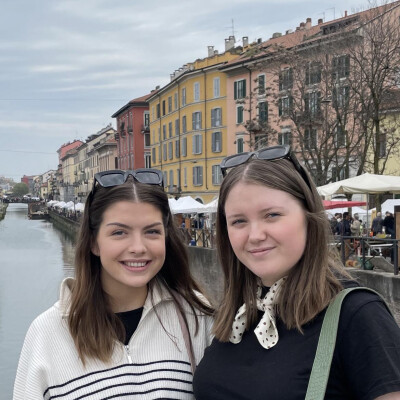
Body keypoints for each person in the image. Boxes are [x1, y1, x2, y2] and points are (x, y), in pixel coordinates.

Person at [192, 145, 400, 400]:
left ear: (308, 217)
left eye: (272, 215)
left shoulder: (357, 315)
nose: (255, 235)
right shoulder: (237, 313)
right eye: (238, 221)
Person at [14, 169, 214, 400]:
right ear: (94, 243)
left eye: (152, 231)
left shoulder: (197, 315)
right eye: (119, 232)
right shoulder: (47, 333)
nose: (138, 247)